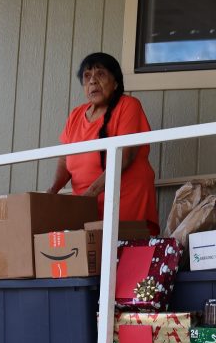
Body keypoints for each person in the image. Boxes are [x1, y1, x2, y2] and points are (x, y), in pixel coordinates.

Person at [47, 52, 159, 235]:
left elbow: (125, 156)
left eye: (100, 74)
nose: (92, 81)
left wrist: (87, 197)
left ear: (115, 83)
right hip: (87, 206)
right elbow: (64, 159)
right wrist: (52, 192)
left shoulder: (128, 105)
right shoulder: (76, 114)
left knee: (122, 259)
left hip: (124, 202)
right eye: (87, 76)